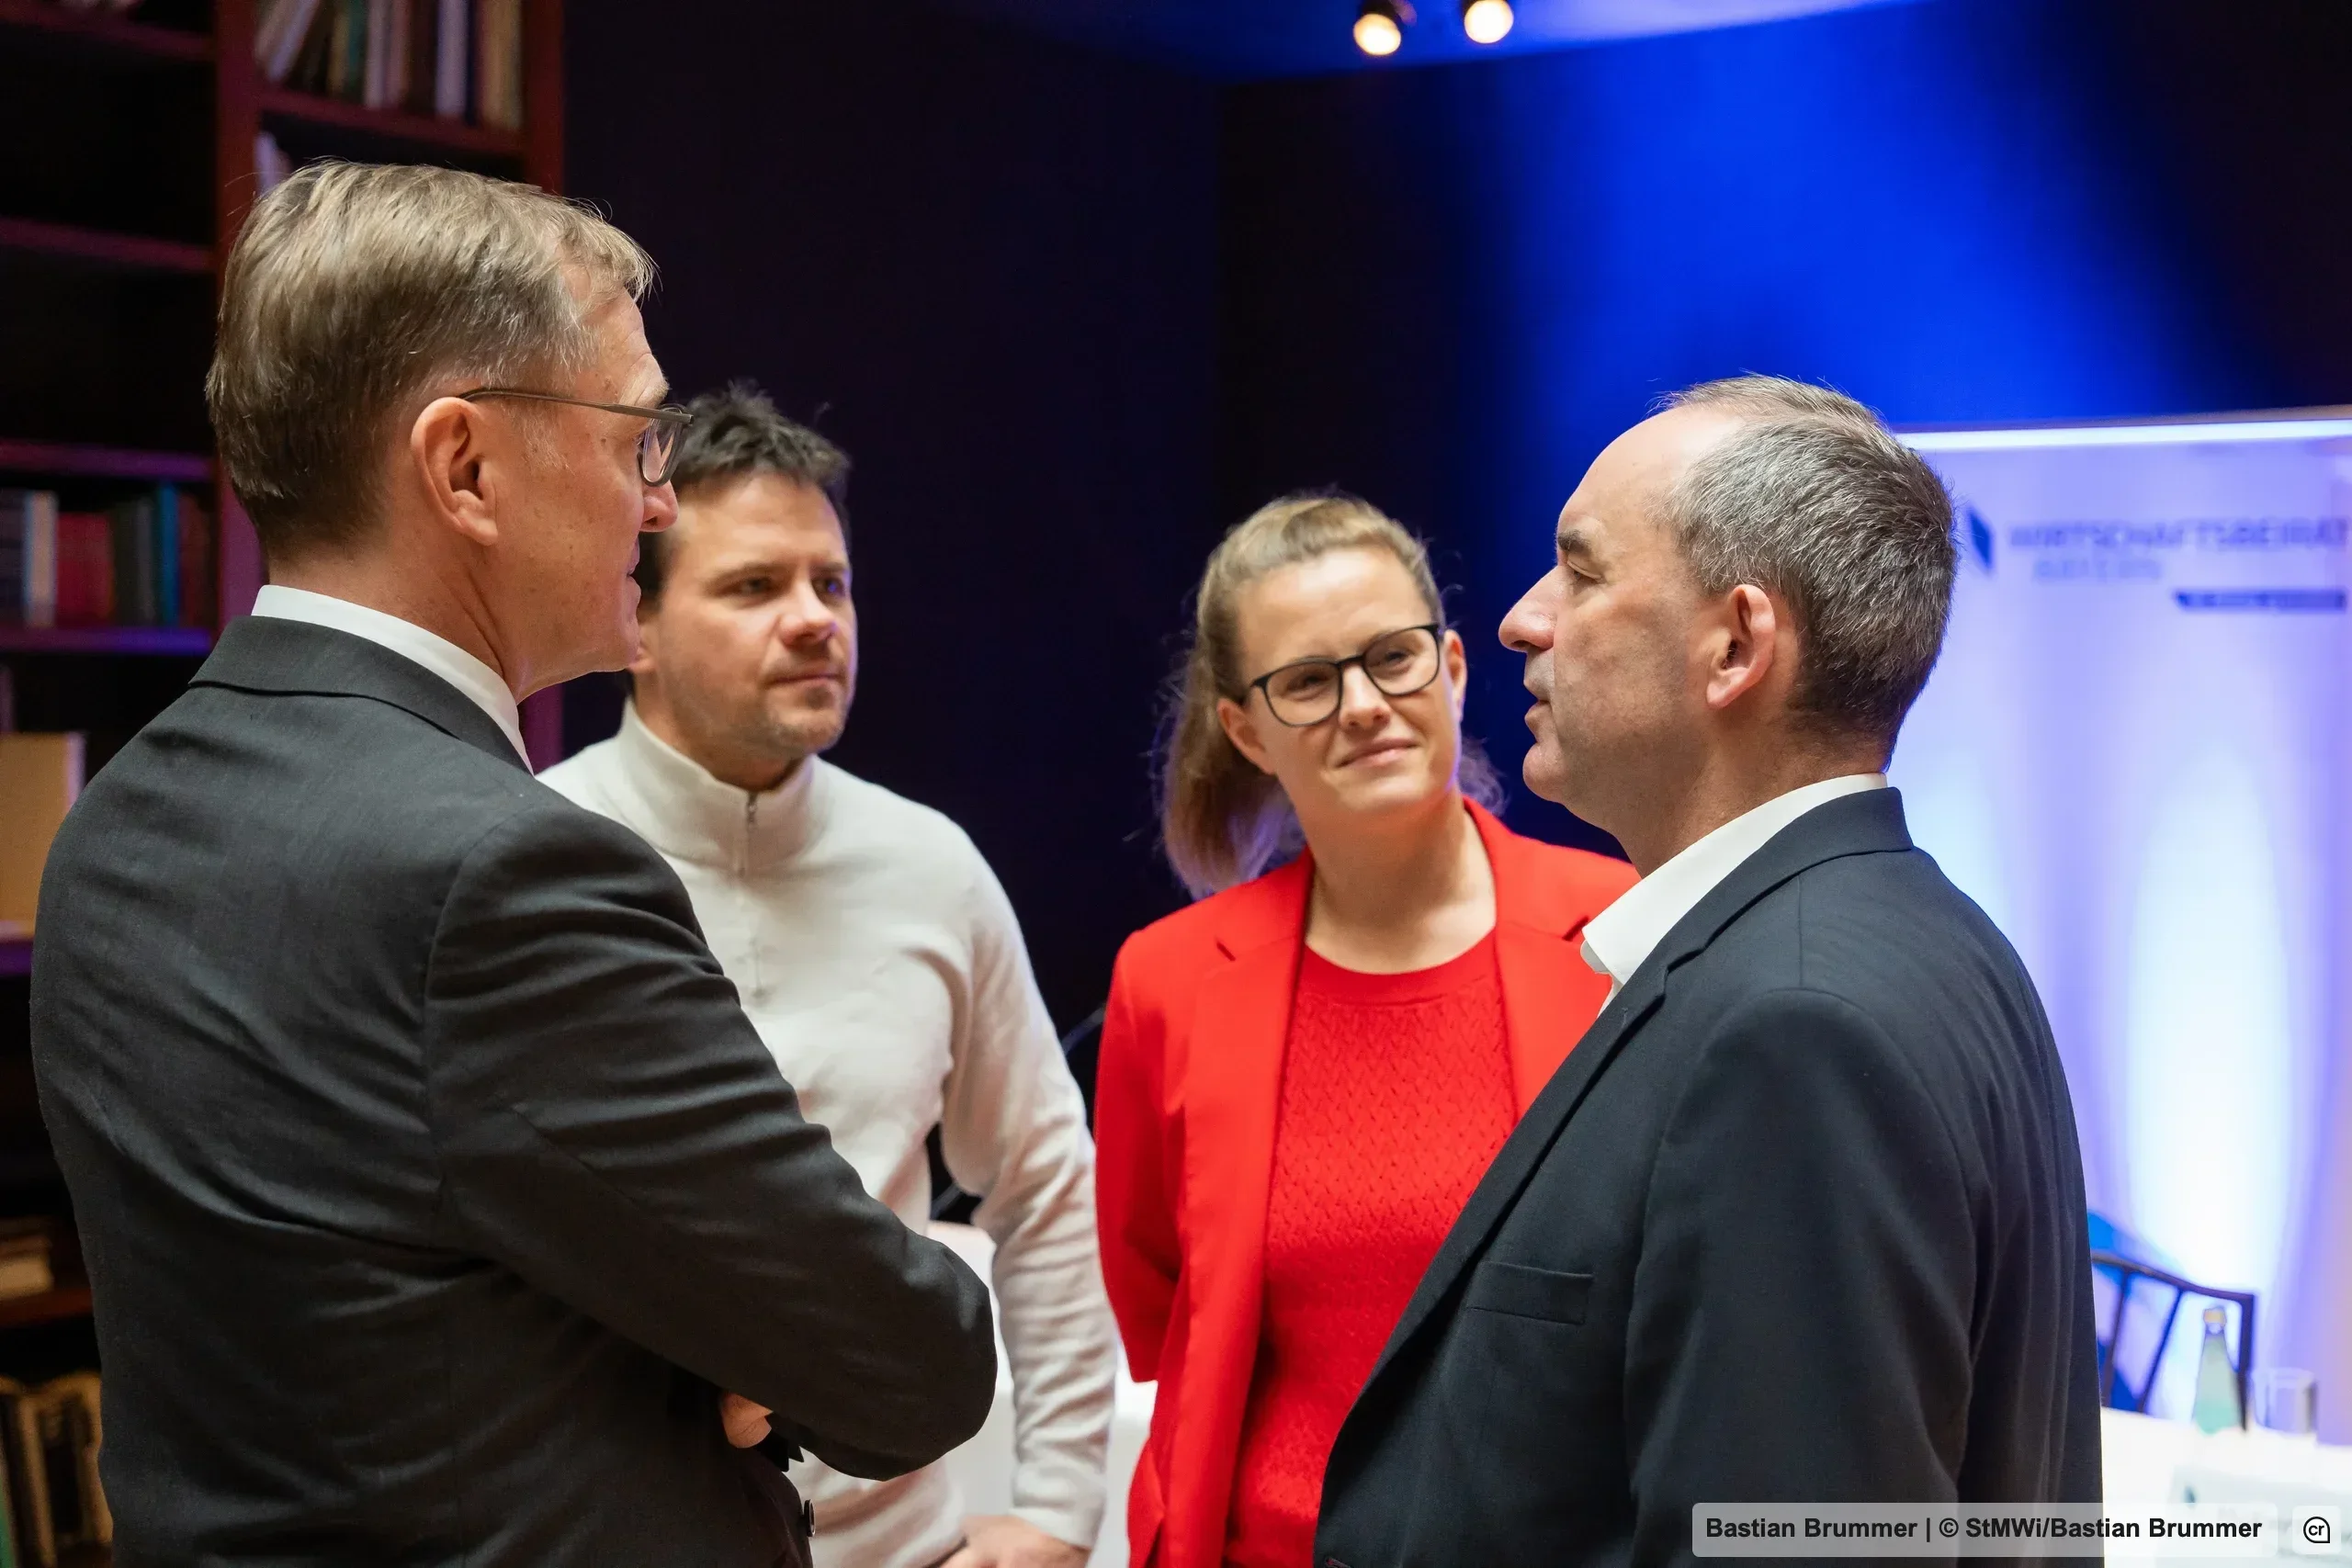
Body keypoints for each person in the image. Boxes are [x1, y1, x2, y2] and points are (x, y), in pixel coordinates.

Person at [28, 164, 995, 1567]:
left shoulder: (113, 819)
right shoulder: (509, 872)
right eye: (637, 434)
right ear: (465, 466)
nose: (659, 500)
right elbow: (913, 1360)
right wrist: (735, 1333)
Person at [1315, 378, 2102, 1568]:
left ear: (1735, 643)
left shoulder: (1794, 1026)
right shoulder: (1922, 940)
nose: (1525, 619)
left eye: (1580, 573)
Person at [542, 386, 1114, 1568]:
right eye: (755, 587)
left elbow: (1046, 1185)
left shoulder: (928, 864)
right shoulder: (530, 855)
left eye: (832, 582)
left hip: (898, 1539)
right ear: (633, 624)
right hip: (611, 1531)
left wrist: (1061, 1506)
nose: (814, 620)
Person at [1093, 493, 1634, 1568]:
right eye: (1306, 681)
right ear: (1244, 731)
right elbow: (1160, 1310)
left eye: (1392, 658)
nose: (1364, 705)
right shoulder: (1167, 981)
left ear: (1454, 668)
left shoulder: (1625, 931)